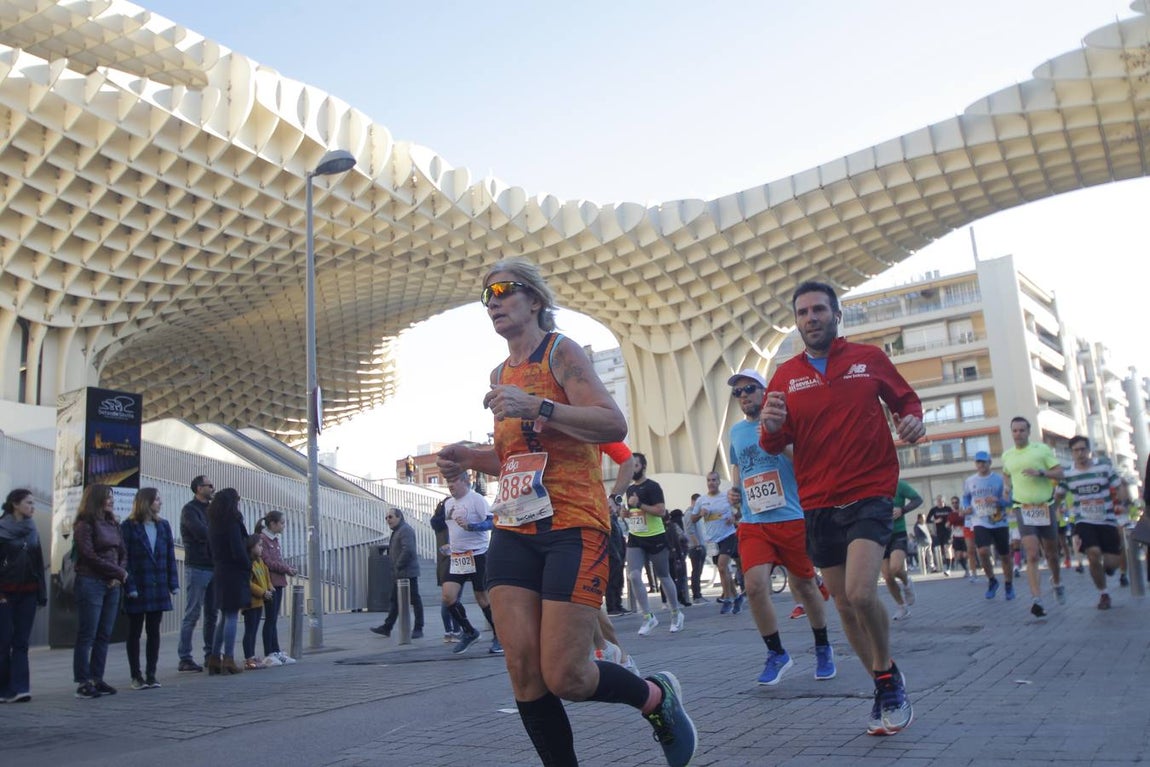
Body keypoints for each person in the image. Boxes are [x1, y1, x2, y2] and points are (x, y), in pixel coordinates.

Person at [437, 258, 696, 767]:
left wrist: (538, 406)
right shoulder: (498, 374)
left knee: (566, 676)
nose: (493, 300)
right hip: (514, 526)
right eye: (486, 294)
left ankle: (656, 699)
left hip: (573, 524)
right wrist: (470, 457)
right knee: (523, 671)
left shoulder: (561, 352)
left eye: (504, 290)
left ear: (534, 299)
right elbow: (515, 457)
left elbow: (611, 424)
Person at [760, 280, 924, 736]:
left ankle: (887, 674)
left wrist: (913, 419)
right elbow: (774, 441)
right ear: (797, 322)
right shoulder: (785, 375)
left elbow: (906, 401)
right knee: (846, 609)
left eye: (818, 310)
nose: (811, 318)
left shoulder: (868, 359)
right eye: (803, 313)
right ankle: (883, 682)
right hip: (818, 502)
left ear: (836, 316)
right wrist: (770, 427)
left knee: (861, 593)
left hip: (871, 492)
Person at [727, 369, 836, 686]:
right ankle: (777, 653)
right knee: (755, 586)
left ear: (765, 392)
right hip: (753, 521)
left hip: (790, 517)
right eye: (738, 392)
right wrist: (735, 490)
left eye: (749, 389)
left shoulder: (786, 423)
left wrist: (775, 435)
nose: (744, 395)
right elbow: (738, 464)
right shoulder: (735, 432)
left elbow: (805, 458)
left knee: (804, 587)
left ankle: (822, 646)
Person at [1001, 416, 1065, 618]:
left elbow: (1060, 472)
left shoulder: (1041, 450)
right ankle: (1036, 600)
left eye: (1021, 430)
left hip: (1045, 506)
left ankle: (1056, 581)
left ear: (1028, 432)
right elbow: (1006, 473)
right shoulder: (1007, 455)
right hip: (1023, 508)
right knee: (1032, 554)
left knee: (1052, 554)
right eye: (1014, 431)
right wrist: (1006, 487)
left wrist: (1041, 473)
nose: (1018, 434)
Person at [1057, 436, 1126, 610]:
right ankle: (1104, 594)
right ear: (1071, 453)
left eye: (1082, 449)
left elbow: (1119, 487)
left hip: (1107, 520)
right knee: (1093, 554)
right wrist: (1052, 511)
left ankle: (1109, 568)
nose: (1080, 453)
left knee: (1111, 563)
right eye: (1076, 450)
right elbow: (1059, 496)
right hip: (1084, 520)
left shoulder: (1103, 467)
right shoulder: (1068, 473)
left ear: (1089, 451)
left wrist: (1124, 503)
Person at [72, 483, 127, 698]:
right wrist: (117, 572)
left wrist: (118, 573)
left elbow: (123, 552)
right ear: (96, 499)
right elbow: (89, 555)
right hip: (91, 582)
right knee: (88, 633)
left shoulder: (113, 522)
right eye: (107, 497)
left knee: (104, 634)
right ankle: (83, 681)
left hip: (112, 584)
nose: (112, 500)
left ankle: (97, 677)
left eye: (112, 496)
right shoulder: (84, 524)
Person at [121, 488, 178, 689]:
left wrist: (173, 583)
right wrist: (129, 585)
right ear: (146, 502)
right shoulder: (128, 526)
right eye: (156, 500)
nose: (160, 503)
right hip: (139, 583)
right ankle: (136, 675)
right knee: (134, 631)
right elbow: (124, 558)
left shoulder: (163, 526)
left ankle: (151, 673)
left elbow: (170, 556)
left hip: (158, 585)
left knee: (154, 631)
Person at [625, 452, 687, 635]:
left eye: (634, 465)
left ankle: (676, 613)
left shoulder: (653, 487)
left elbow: (661, 511)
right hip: (636, 536)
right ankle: (648, 617)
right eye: (630, 466)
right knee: (633, 575)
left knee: (663, 576)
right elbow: (635, 512)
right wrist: (626, 514)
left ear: (642, 467)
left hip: (656, 536)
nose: (631, 469)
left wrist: (640, 504)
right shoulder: (629, 490)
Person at [0, 489, 47, 703]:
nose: (32, 507)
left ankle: (20, 688)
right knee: (4, 640)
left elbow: (38, 563)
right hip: (5, 594)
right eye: (28, 503)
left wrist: (41, 594)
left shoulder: (32, 529)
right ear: (15, 504)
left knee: (21, 642)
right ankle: (4, 689)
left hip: (28, 592)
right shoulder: (2, 529)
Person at [442, 475, 498, 654]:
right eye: (448, 482)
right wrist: (449, 544)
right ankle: (469, 632)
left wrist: (472, 526)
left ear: (465, 481)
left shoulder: (477, 499)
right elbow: (451, 527)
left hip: (478, 553)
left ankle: (500, 637)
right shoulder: (448, 503)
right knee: (448, 597)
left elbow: (493, 522)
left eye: (453, 482)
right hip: (458, 556)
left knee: (482, 598)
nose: (450, 485)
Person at [207, 487, 249, 675]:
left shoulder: (214, 522)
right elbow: (238, 548)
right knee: (232, 615)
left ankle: (215, 658)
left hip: (220, 569)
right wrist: (247, 564)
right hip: (233, 571)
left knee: (224, 616)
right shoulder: (232, 521)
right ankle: (229, 659)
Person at [177, 475, 216, 673]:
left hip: (213, 565)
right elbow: (202, 533)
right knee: (192, 613)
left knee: (212, 613)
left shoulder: (212, 509)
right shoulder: (190, 510)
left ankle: (210, 654)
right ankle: (185, 657)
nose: (212, 488)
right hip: (198, 566)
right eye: (209, 485)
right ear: (199, 488)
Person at [962, 451, 1012, 599]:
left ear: (990, 462)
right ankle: (992, 580)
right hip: (979, 521)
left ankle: (1008, 584)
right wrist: (967, 507)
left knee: (1004, 555)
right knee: (982, 551)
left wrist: (998, 500)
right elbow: (966, 497)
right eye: (978, 462)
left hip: (999, 521)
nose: (981, 465)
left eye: (984, 462)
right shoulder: (970, 481)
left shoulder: (999, 480)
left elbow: (1009, 501)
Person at [690, 473, 742, 615]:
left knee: (722, 566)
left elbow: (741, 510)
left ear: (719, 482)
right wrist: (700, 514)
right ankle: (736, 597)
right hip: (713, 540)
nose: (711, 483)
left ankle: (727, 599)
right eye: (709, 480)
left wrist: (734, 517)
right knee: (723, 570)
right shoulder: (702, 500)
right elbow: (692, 519)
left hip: (728, 536)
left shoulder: (726, 496)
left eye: (714, 480)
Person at [371, 508, 425, 640]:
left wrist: (398, 565)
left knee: (414, 599)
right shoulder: (397, 531)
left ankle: (418, 628)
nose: (388, 520)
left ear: (399, 517)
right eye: (386, 518)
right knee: (395, 600)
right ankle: (387, 627)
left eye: (390, 517)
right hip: (400, 573)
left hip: (407, 572)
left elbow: (408, 550)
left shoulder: (405, 530)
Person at [255, 511, 296, 665]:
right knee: (270, 618)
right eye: (282, 523)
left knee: (274, 618)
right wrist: (286, 569)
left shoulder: (274, 540)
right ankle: (269, 651)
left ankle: (276, 649)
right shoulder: (263, 540)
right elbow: (268, 561)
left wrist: (286, 568)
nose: (283, 526)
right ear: (272, 524)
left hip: (278, 581)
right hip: (270, 583)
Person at [601, 442, 634, 616]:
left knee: (617, 564)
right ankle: (613, 603)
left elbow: (627, 459)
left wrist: (615, 498)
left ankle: (615, 603)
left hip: (614, 533)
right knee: (614, 564)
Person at [882, 481, 923, 621]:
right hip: (879, 535)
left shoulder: (899, 485)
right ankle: (902, 607)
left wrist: (902, 510)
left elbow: (918, 499)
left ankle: (907, 583)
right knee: (887, 576)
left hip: (897, 533)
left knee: (896, 568)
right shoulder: (870, 485)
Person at [428, 496, 461, 642]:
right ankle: (455, 631)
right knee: (452, 599)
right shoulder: (449, 526)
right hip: (453, 564)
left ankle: (449, 631)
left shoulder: (438, 525)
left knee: (448, 599)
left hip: (442, 565)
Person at [242, 534, 272, 670]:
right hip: (250, 601)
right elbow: (247, 583)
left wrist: (269, 588)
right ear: (251, 547)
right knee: (250, 630)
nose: (261, 549)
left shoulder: (260, 562)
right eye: (259, 546)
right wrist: (262, 592)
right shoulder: (248, 562)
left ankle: (252, 656)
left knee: (254, 630)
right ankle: (248, 658)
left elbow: (266, 576)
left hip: (260, 601)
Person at [684, 493, 707, 604]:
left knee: (698, 571)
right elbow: (690, 530)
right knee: (696, 571)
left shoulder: (696, 514)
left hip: (700, 545)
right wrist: (697, 545)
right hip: (695, 547)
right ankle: (697, 596)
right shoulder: (690, 514)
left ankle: (698, 594)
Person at [925, 496, 951, 575]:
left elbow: (953, 517)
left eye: (940, 500)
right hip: (939, 532)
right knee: (942, 549)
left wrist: (949, 522)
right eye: (937, 501)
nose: (939, 502)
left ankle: (948, 568)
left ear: (943, 501)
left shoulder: (948, 509)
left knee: (947, 548)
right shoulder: (934, 510)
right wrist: (935, 521)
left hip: (948, 531)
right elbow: (927, 520)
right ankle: (946, 562)